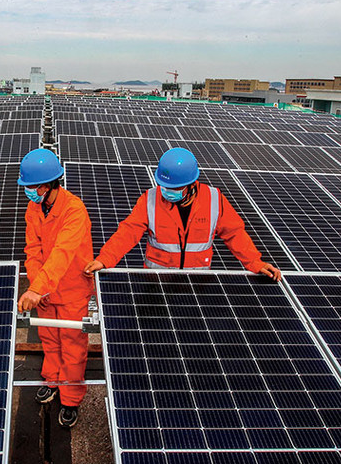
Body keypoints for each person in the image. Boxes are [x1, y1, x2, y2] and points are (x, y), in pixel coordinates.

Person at [83, 148, 282, 280]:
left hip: (197, 282)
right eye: (164, 186)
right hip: (156, 281)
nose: (168, 191)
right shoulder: (150, 199)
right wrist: (105, 259)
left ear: (190, 183)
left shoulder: (214, 199)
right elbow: (128, 232)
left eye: (175, 187)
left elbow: (235, 234)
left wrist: (255, 262)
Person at [16, 148, 94, 428]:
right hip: (46, 289)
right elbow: (33, 250)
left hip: (72, 289)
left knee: (72, 346)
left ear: (46, 185)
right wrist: (39, 287)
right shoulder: (33, 208)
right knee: (49, 340)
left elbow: (63, 252)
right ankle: (52, 380)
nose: (27, 192)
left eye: (30, 187)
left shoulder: (74, 210)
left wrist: (38, 289)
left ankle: (71, 398)